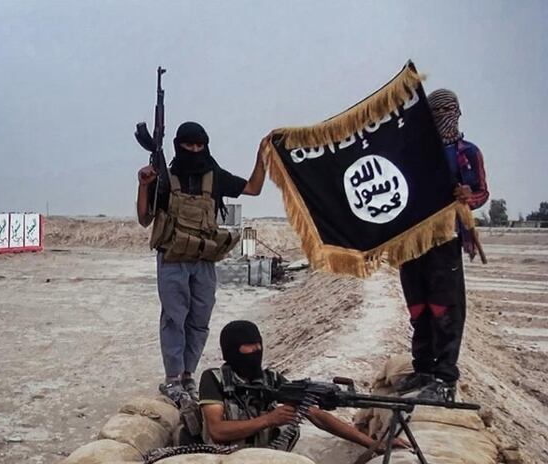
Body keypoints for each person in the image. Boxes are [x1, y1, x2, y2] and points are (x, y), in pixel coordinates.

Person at [136, 121, 266, 402]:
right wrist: (143, 185)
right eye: (188, 145)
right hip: (173, 258)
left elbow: (254, 188)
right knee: (174, 319)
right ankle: (172, 379)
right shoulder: (166, 178)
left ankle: (187, 376)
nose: (194, 150)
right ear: (178, 146)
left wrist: (262, 156)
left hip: (204, 258)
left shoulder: (214, 176)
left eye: (199, 145)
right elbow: (145, 219)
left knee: (199, 320)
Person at [396, 89, 489, 401]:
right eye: (438, 112)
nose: (446, 117)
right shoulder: (413, 153)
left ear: (458, 113)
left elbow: (481, 193)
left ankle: (445, 378)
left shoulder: (468, 153)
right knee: (418, 307)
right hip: (411, 242)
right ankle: (422, 369)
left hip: (445, 240)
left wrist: (467, 196)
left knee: (445, 308)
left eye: (450, 111)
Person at [198, 320, 408, 451]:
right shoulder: (214, 379)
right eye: (249, 346)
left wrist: (372, 444)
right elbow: (218, 431)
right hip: (223, 457)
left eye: (258, 344)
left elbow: (319, 417)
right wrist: (269, 420)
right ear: (232, 350)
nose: (256, 350)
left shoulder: (272, 379)